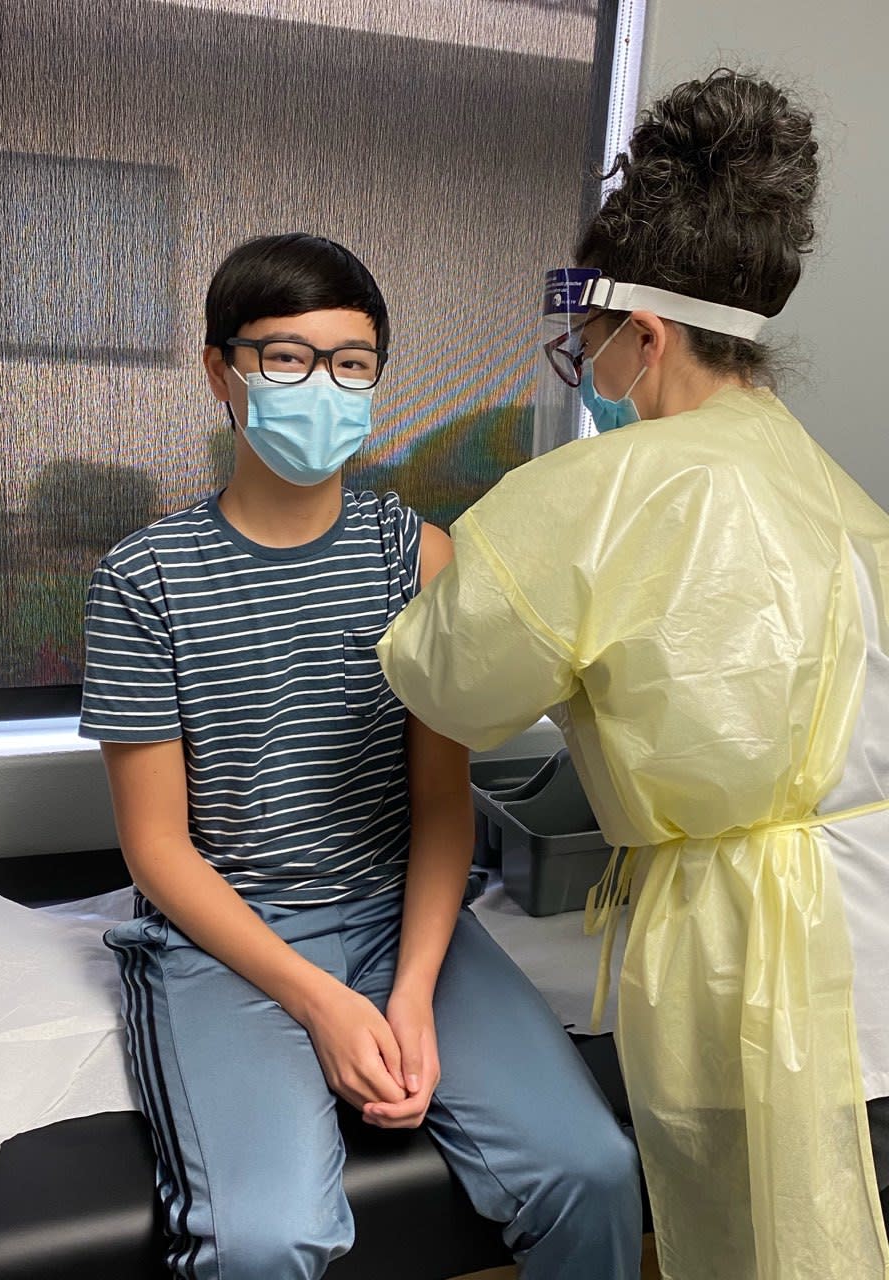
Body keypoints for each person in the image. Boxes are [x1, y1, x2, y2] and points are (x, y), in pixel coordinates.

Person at [377, 72, 889, 1280]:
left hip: (761, 973)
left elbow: (444, 679)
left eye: (587, 344)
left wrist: (432, 567)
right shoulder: (836, 488)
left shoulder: (604, 493)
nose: (589, 369)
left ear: (642, 333)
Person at [79, 232, 642, 1279]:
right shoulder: (143, 580)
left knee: (594, 1168)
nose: (322, 384)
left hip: (401, 915)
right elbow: (157, 850)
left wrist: (414, 988)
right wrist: (323, 1000)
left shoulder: (417, 558)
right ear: (221, 371)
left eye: (350, 362)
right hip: (228, 937)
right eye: (286, 358)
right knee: (264, 1237)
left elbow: (441, 807)